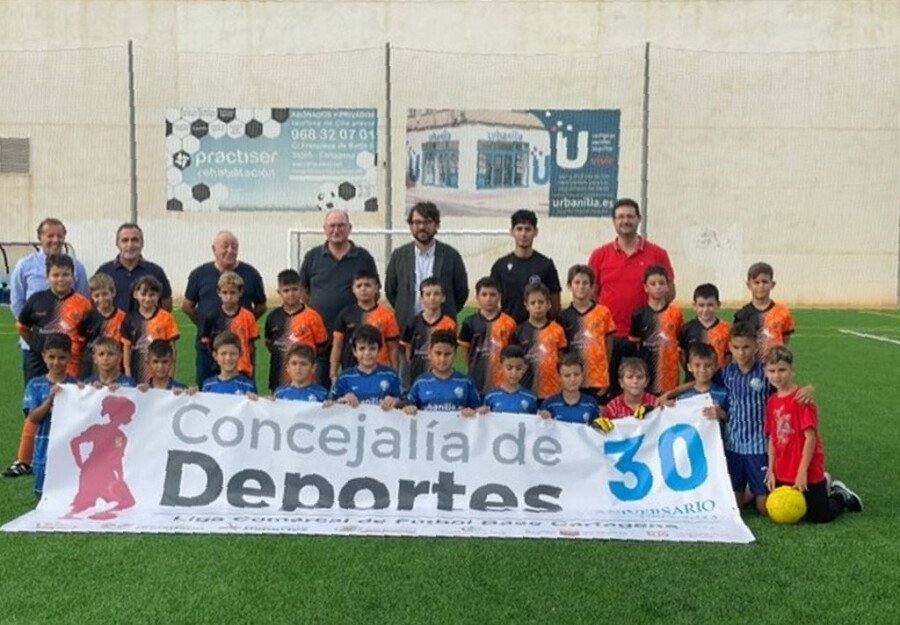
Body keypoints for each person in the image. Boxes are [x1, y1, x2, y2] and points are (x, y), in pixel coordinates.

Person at [4, 256, 92, 480]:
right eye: (55, 275)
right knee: (35, 409)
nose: (60, 279)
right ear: (47, 277)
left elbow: (89, 335)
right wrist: (37, 347)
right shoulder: (37, 299)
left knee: (69, 412)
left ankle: (68, 457)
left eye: (65, 274)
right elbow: (22, 326)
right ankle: (24, 460)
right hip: (43, 364)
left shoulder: (83, 304)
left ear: (73, 277)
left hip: (72, 367)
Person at [764, 346, 862, 522]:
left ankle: (840, 496)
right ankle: (825, 483)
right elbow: (772, 438)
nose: (777, 376)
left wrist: (802, 472)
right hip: (783, 469)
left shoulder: (802, 399)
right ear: (765, 372)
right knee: (791, 510)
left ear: (792, 371)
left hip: (807, 468)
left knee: (820, 516)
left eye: (782, 370)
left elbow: (811, 438)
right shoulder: (771, 402)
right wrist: (771, 471)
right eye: (771, 371)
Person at [587, 198, 675, 395]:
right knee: (610, 393)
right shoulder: (599, 255)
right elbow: (593, 295)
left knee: (648, 393)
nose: (625, 221)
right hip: (611, 336)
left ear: (639, 219)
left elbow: (669, 291)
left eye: (630, 216)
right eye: (620, 217)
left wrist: (652, 318)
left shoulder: (657, 254)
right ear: (614, 221)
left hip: (647, 338)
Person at [299, 209, 378, 387]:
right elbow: (303, 290)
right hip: (321, 336)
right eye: (332, 226)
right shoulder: (313, 257)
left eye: (341, 225)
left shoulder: (363, 257)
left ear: (350, 228)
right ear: (325, 229)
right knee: (319, 388)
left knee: (356, 389)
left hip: (355, 337)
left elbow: (375, 290)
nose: (336, 230)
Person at [9, 218, 89, 385]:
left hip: (69, 351)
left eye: (59, 235)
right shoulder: (25, 265)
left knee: (69, 396)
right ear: (40, 238)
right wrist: (38, 335)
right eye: (50, 235)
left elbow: (82, 301)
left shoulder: (76, 266)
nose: (55, 240)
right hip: (35, 349)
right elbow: (17, 302)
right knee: (36, 395)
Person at [183, 231, 266, 385]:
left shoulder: (251, 274)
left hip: (241, 347)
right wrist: (206, 323)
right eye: (225, 246)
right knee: (207, 389)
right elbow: (187, 306)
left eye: (234, 247)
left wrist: (243, 322)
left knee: (242, 391)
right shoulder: (199, 274)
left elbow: (261, 306)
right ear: (214, 249)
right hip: (207, 346)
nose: (230, 250)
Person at [385, 201, 469, 336]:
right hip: (407, 329)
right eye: (417, 222)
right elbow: (391, 291)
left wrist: (442, 313)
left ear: (436, 225)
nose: (422, 227)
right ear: (411, 225)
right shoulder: (399, 255)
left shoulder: (451, 255)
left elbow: (461, 292)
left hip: (442, 331)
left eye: (427, 222)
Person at [20, 334, 79, 495]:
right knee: (43, 497)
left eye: (61, 357)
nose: (56, 362)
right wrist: (50, 400)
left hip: (68, 453)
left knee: (68, 496)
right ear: (44, 357)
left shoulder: (76, 386)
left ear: (69, 358)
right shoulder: (35, 384)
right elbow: (33, 417)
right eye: (51, 357)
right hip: (43, 454)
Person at [489, 209, 561, 323]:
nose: (523, 234)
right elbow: (490, 301)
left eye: (528, 229)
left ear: (535, 232)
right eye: (519, 229)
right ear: (512, 231)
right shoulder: (500, 266)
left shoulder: (546, 265)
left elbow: (555, 306)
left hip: (538, 332)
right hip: (509, 331)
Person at [330, 269, 400, 384]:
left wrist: (394, 374)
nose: (363, 289)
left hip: (379, 373)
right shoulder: (345, 314)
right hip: (350, 372)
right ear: (353, 289)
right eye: (359, 286)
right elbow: (337, 346)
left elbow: (393, 348)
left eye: (367, 285)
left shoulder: (388, 315)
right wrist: (333, 374)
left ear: (377, 287)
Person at [557, 265, 616, 401]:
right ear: (569, 286)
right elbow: (561, 352)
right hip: (574, 379)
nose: (581, 286)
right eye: (577, 282)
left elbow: (609, 346)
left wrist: (605, 374)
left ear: (591, 286)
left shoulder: (603, 313)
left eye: (585, 283)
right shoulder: (563, 317)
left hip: (598, 380)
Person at [265, 269, 328, 393]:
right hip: (279, 378)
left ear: (301, 290)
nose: (291, 294)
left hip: (306, 381)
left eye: (294, 289)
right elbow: (269, 343)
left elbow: (322, 346)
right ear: (279, 292)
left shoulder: (312, 317)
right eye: (286, 290)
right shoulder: (273, 317)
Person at [458, 277, 517, 397]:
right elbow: (465, 350)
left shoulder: (509, 323)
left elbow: (513, 351)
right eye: (484, 294)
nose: (488, 299)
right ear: (477, 297)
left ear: (500, 296)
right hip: (477, 379)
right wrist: (473, 366)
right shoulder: (469, 322)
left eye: (492, 294)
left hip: (502, 382)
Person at [629, 265, 683, 395]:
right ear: (646, 288)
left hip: (669, 375)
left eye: (661, 283)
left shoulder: (676, 313)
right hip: (646, 375)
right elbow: (635, 345)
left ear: (667, 286)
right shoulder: (639, 314)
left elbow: (680, 343)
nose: (658, 287)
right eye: (653, 284)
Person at [96, 222, 173, 312]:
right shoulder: (104, 272)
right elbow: (93, 303)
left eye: (135, 240)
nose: (130, 245)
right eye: (125, 240)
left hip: (145, 326)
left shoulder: (156, 272)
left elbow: (166, 305)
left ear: (142, 244)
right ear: (117, 244)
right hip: (114, 326)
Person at [198, 271, 260, 378]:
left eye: (233, 293)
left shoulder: (248, 316)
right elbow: (207, 345)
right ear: (219, 292)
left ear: (240, 292)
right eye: (225, 292)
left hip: (242, 369)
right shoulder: (212, 316)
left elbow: (251, 347)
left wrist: (252, 370)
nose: (229, 297)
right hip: (219, 369)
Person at [403, 331, 480, 416]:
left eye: (447, 354)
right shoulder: (420, 382)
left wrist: (473, 411)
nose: (442, 359)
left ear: (455, 354)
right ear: (430, 353)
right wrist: (409, 408)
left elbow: (478, 411)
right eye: (438, 353)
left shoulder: (466, 382)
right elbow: (407, 408)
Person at [399, 277, 457, 388]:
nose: (432, 298)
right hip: (416, 376)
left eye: (436, 294)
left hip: (442, 377)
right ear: (421, 298)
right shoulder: (412, 322)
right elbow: (408, 351)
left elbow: (452, 350)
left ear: (443, 297)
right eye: (428, 294)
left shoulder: (449, 324)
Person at [121, 276, 180, 384]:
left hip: (160, 372)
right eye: (143, 294)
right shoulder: (129, 319)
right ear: (136, 294)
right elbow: (126, 347)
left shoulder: (166, 318)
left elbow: (172, 348)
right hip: (136, 371)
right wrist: (127, 371)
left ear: (158, 296)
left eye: (151, 295)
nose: (147, 299)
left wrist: (171, 373)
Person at [515, 283, 568, 402]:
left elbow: (562, 360)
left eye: (541, 302)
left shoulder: (557, 330)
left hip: (552, 390)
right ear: (526, 305)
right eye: (533, 303)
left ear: (548, 304)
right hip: (527, 389)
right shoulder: (519, 331)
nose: (537, 306)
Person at [328, 325, 402, 410]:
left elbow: (404, 403)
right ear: (354, 351)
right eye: (362, 348)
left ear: (380, 350)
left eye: (372, 348)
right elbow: (330, 404)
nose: (367, 353)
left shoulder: (390, 375)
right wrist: (342, 400)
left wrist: (395, 401)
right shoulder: (344, 377)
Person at [734, 262, 794, 359]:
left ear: (772, 284)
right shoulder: (742, 315)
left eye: (765, 282)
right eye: (756, 282)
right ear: (749, 285)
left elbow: (785, 340)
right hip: (752, 366)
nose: (761, 286)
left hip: (775, 366)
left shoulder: (782, 312)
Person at [78, 272, 127, 379]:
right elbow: (80, 344)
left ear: (113, 292)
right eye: (96, 295)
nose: (101, 299)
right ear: (91, 297)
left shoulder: (123, 318)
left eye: (105, 294)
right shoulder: (87, 317)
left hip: (116, 369)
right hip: (90, 367)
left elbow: (126, 346)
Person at [678, 283, 731, 381]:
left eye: (710, 305)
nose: (705, 309)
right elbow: (682, 354)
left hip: (718, 379)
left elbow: (728, 355)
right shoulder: (687, 328)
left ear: (718, 305)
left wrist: (722, 370)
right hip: (693, 381)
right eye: (701, 305)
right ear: (694, 306)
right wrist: (690, 371)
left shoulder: (726, 329)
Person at [539, 353, 605, 428]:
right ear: (559, 378)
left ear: (582, 375)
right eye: (567, 376)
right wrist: (544, 419)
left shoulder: (591, 403)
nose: (572, 379)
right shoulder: (549, 404)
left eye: (576, 374)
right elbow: (540, 430)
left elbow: (597, 432)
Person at [675, 343, 729, 425]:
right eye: (697, 365)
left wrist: (721, 414)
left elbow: (733, 418)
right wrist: (669, 408)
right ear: (689, 367)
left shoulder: (724, 394)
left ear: (716, 367)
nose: (702, 370)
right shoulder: (683, 398)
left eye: (707, 365)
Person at [478, 345, 538, 415]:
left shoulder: (530, 398)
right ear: (500, 367)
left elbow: (535, 422)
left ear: (524, 369)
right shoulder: (491, 396)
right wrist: (479, 412)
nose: (514, 373)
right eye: (509, 368)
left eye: (518, 369)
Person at [201, 331, 258, 397]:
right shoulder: (208, 385)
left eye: (233, 353)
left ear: (240, 354)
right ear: (215, 356)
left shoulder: (248, 385)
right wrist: (190, 395)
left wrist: (262, 401)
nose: (228, 358)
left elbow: (257, 406)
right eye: (223, 354)